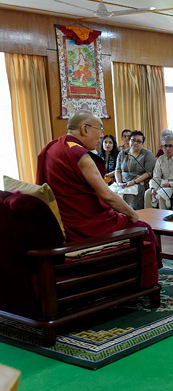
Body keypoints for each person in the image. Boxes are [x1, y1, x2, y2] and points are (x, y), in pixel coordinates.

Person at [36, 110, 159, 287]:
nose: (101, 136)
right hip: (85, 223)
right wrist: (132, 214)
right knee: (143, 228)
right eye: (99, 129)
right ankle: (141, 283)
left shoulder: (53, 148)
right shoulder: (79, 155)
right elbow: (107, 195)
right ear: (84, 129)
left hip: (64, 220)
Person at [110, 130, 155, 210]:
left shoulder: (147, 154)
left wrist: (133, 182)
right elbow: (118, 170)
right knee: (110, 194)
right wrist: (119, 183)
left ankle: (131, 216)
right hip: (121, 183)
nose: (135, 143)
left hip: (137, 184)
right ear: (129, 140)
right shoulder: (122, 153)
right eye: (133, 140)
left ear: (142, 144)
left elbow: (148, 172)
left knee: (130, 195)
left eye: (138, 141)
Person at [146, 135, 173, 209]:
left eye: (170, 146)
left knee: (162, 194)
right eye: (165, 146)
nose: (167, 149)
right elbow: (156, 177)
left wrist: (171, 184)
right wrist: (153, 188)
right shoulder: (160, 159)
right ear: (162, 147)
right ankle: (149, 218)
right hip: (162, 185)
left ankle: (165, 218)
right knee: (148, 193)